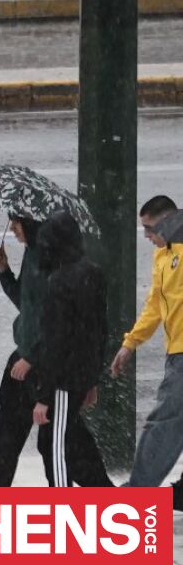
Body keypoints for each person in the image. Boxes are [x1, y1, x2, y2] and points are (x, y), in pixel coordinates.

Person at [32, 211, 113, 487]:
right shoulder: (93, 273)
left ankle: (63, 508)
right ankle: (100, 490)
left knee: (57, 445)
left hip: (63, 381)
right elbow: (98, 332)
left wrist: (45, 395)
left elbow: (57, 342)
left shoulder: (59, 282)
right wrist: (92, 379)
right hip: (81, 375)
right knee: (62, 439)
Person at [112, 196, 183, 498]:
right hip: (176, 351)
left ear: (166, 222)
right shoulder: (163, 255)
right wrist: (130, 343)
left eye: (149, 228)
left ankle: (138, 491)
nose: (147, 236)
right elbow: (155, 305)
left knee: (165, 421)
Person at [0, 216, 47, 486]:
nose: (11, 229)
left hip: (41, 361)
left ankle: (106, 495)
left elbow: (56, 318)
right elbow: (25, 302)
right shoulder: (31, 253)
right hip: (23, 355)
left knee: (65, 444)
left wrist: (32, 357)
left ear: (30, 223)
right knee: (6, 434)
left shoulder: (48, 259)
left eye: (16, 223)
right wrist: (4, 270)